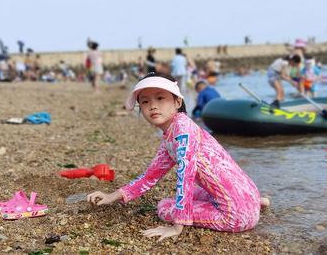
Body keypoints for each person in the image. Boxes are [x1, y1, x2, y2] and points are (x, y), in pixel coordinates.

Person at [86, 73, 269, 242]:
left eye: (160, 98)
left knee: (164, 206)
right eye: (145, 101)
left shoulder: (182, 132)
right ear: (140, 108)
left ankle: (247, 208)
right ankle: (256, 203)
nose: (153, 106)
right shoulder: (173, 135)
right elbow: (149, 176)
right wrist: (111, 197)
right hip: (248, 194)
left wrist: (177, 226)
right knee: (193, 193)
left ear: (177, 102)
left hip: (236, 216)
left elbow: (186, 175)